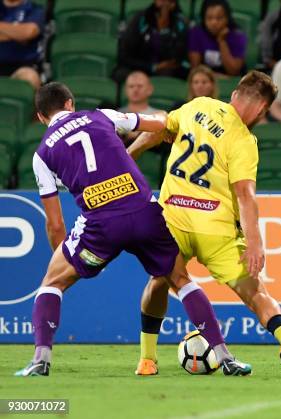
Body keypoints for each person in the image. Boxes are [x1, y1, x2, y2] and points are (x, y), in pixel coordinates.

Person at [14, 82, 250, 377]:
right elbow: (159, 122)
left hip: (100, 226)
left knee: (52, 282)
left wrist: (65, 254)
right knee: (180, 278)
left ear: (40, 117)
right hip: (143, 213)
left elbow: (55, 223)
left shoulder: (42, 154)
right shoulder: (101, 116)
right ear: (70, 103)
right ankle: (225, 356)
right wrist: (170, 124)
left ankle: (41, 359)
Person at [127, 71, 281, 378]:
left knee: (160, 281)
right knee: (256, 293)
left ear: (236, 92)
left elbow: (160, 127)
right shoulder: (244, 140)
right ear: (262, 109)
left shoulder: (199, 106)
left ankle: (147, 359)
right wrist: (255, 243)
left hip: (174, 222)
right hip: (217, 230)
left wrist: (129, 154)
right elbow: (246, 195)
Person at [114, 0, 188, 83]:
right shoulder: (140, 19)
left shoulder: (179, 24)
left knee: (173, 73)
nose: (163, 3)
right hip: (138, 66)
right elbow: (125, 55)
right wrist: (153, 67)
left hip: (165, 68)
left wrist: (164, 33)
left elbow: (177, 57)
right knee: (122, 74)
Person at [188, 0, 246, 76]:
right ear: (203, 18)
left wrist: (222, 41)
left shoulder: (238, 36)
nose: (214, 23)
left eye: (219, 18)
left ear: (227, 18)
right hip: (205, 80)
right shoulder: (196, 33)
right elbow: (195, 70)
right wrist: (216, 76)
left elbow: (234, 72)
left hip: (231, 83)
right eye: (209, 18)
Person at [0, 0, 45, 89]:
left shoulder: (34, 9)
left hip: (22, 66)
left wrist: (22, 35)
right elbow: (22, 35)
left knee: (30, 77)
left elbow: (28, 32)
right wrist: (16, 34)